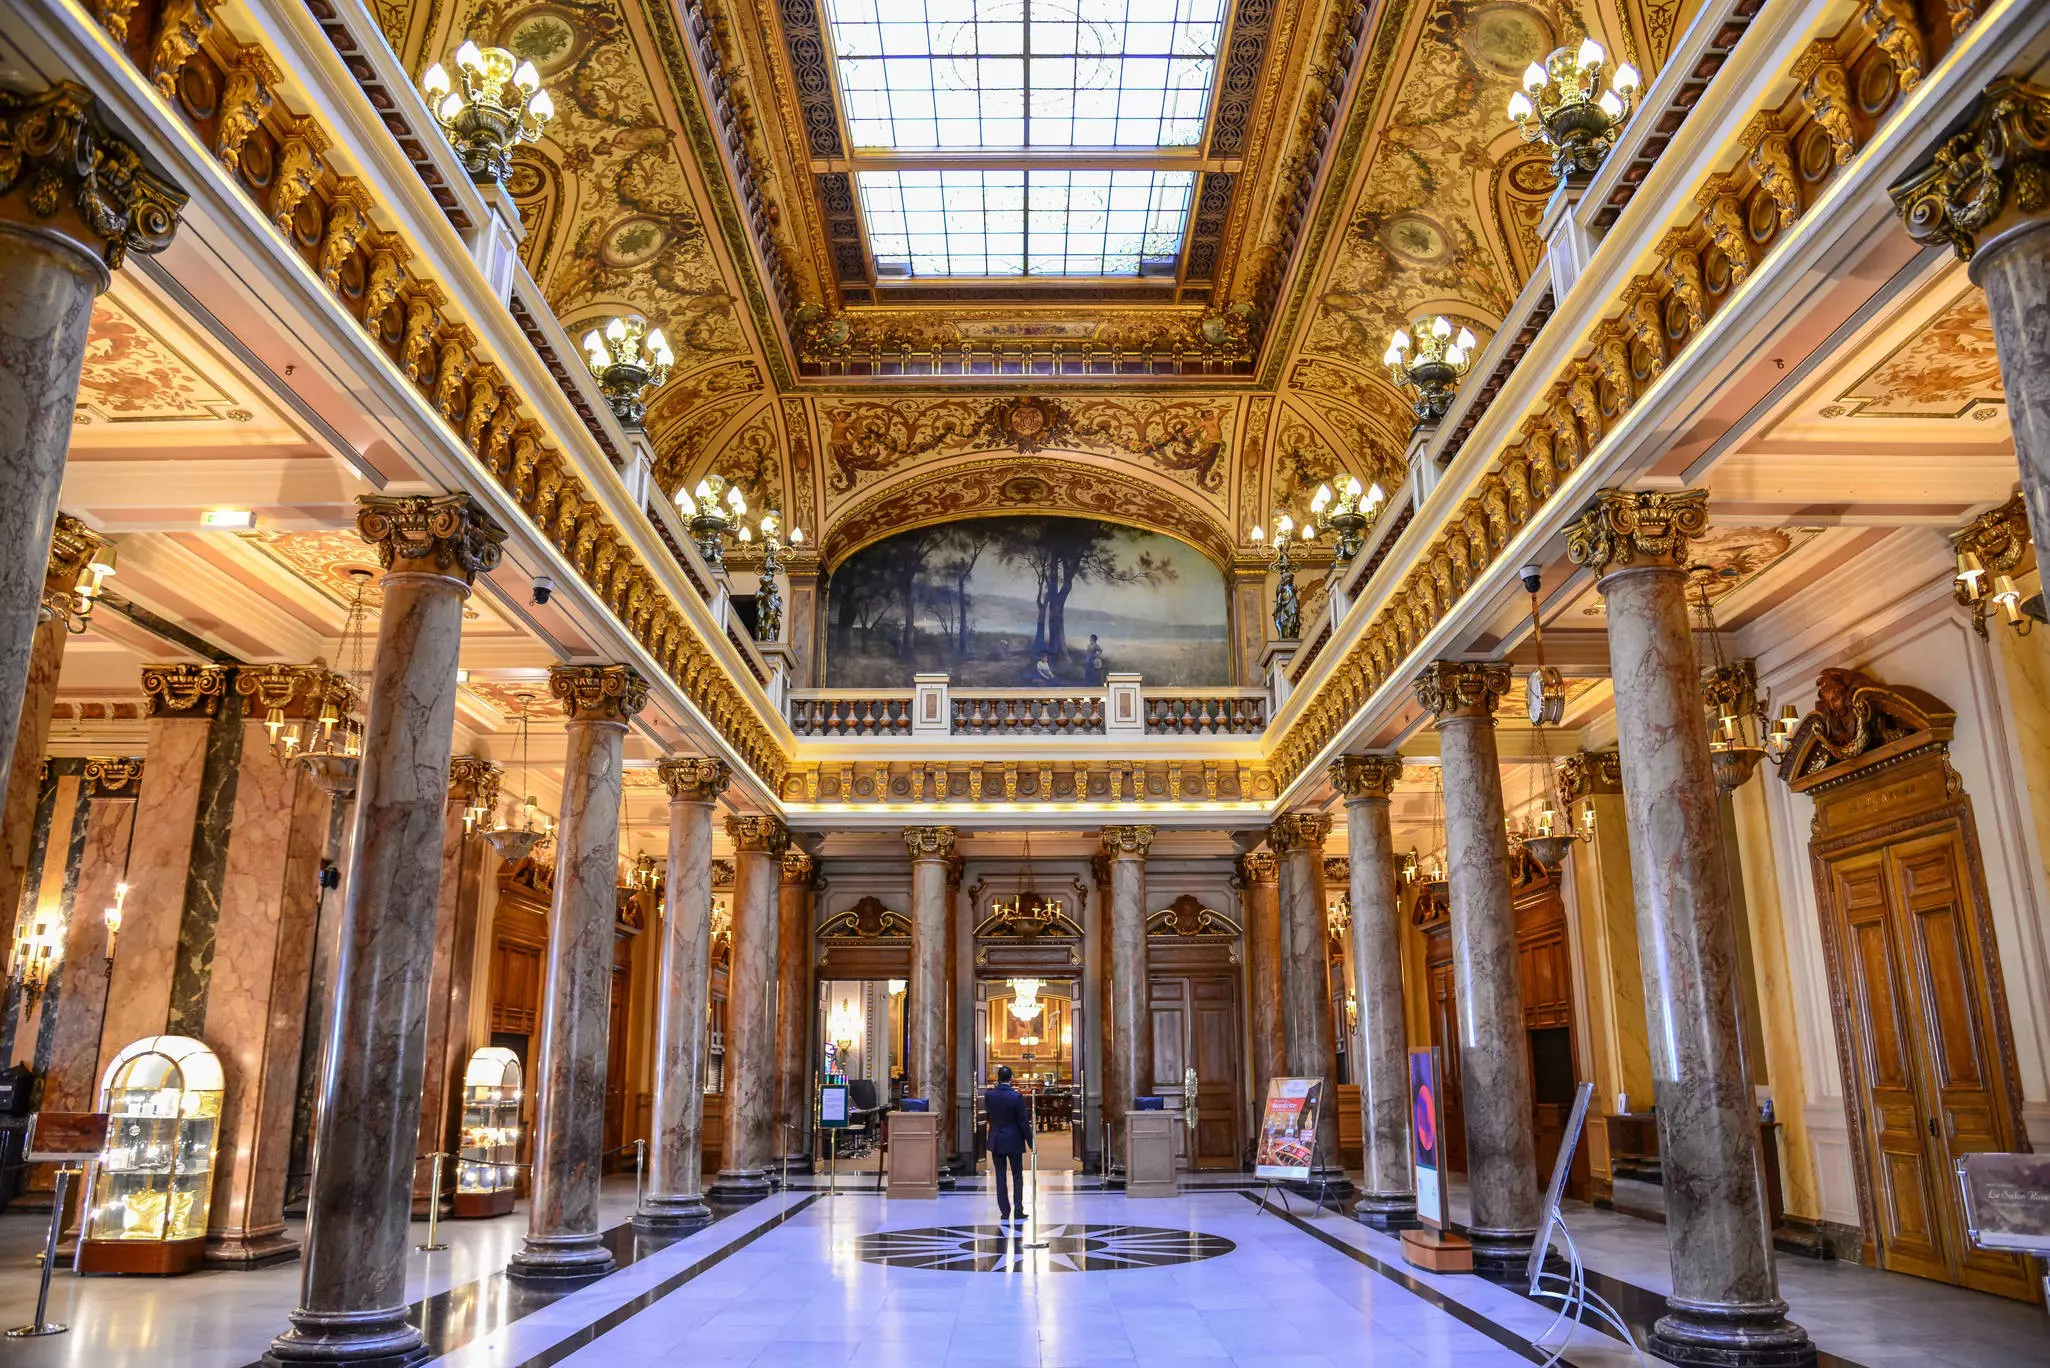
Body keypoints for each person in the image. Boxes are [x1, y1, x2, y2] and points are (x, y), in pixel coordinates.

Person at [983, 1064, 1032, 1222]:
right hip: (1014, 1139)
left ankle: (1004, 1211)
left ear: (998, 1078)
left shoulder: (989, 1096)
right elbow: (1023, 1122)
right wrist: (1031, 1142)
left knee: (1000, 1176)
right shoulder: (1016, 1097)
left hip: (997, 1139)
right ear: (1011, 1078)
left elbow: (990, 1116)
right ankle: (1018, 1209)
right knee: (1017, 1175)